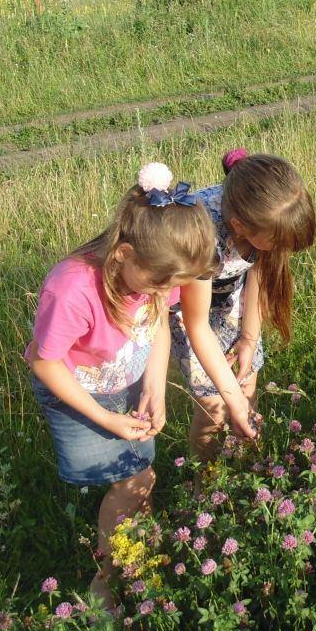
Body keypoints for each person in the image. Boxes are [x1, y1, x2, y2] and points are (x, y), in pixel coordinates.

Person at [28, 162, 218, 607]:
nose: (162, 293)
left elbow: (157, 326)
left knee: (138, 474)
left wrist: (154, 383)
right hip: (77, 394)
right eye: (158, 283)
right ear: (123, 254)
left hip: (127, 380)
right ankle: (106, 583)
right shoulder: (73, 288)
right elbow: (45, 363)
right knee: (133, 478)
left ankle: (139, 552)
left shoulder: (155, 273)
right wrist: (104, 417)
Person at [169, 150, 316, 461]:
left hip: (230, 296)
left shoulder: (267, 220)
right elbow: (196, 324)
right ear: (238, 226)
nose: (282, 250)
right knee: (213, 406)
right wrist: (230, 399)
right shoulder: (201, 233)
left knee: (245, 385)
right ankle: (205, 477)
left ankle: (238, 469)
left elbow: (262, 269)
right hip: (187, 308)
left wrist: (248, 338)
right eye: (278, 243)